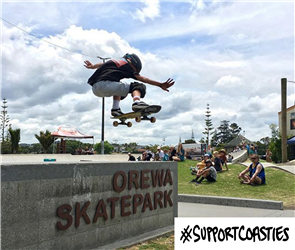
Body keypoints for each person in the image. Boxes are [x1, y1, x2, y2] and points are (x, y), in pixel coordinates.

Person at [84, 53, 174, 116]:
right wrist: (159, 84)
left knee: (119, 86)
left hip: (95, 89)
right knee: (138, 86)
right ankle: (137, 102)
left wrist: (92, 66)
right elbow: (144, 79)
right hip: (105, 85)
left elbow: (102, 64)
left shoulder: (114, 61)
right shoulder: (128, 67)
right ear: (133, 64)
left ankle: (115, 109)